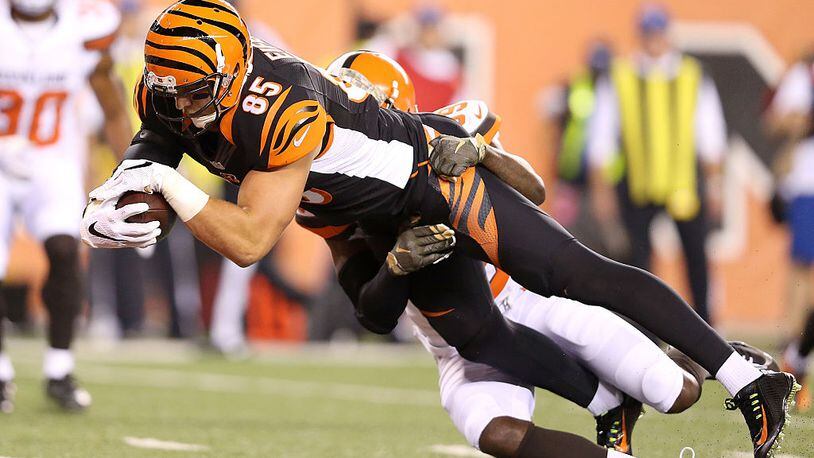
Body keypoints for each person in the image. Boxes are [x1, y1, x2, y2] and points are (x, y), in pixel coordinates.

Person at [79, 2, 797, 455]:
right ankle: (609, 406)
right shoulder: (172, 90)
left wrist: (164, 184)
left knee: (569, 273)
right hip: (384, 220)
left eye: (203, 92)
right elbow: (153, 142)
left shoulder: (284, 104)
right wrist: (113, 196)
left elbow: (248, 243)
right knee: (476, 336)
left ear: (237, 75)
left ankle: (743, 376)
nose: (189, 107)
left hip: (431, 179)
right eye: (176, 93)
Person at [319, 50, 779, 457]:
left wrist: (480, 151)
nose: (347, 130)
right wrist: (395, 267)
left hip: (528, 300)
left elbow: (533, 191)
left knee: (674, 392)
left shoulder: (437, 136)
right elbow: (371, 311)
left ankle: (711, 357)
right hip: (458, 343)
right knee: (495, 433)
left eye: (358, 115)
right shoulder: (327, 195)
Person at [0, 0, 131, 412]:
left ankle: (60, 368)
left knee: (63, 250)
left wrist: (133, 175)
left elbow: (112, 106)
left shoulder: (86, 24)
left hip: (52, 158)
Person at [587, 4, 726, 324]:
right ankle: (645, 326)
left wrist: (715, 185)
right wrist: (602, 191)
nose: (654, 40)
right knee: (638, 262)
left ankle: (705, 325)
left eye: (659, 33)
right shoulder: (621, 75)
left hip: (684, 185)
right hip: (639, 184)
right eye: (649, 33)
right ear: (640, 35)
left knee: (696, 260)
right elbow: (602, 138)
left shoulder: (692, 74)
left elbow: (711, 134)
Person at [765, 53, 814, 412]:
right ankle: (794, 349)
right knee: (802, 268)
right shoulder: (804, 73)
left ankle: (797, 354)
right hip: (808, 185)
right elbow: (778, 122)